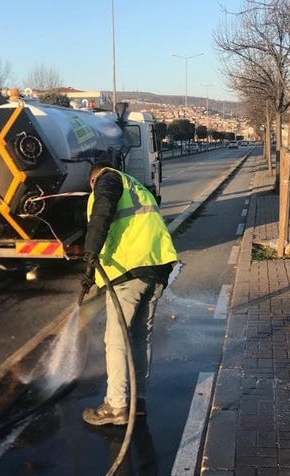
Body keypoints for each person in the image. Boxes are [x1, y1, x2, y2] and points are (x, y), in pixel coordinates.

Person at [80, 161, 178, 426]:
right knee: (139, 338)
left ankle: (116, 406)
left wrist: (89, 257)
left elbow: (102, 212)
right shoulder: (134, 185)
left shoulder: (107, 178)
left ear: (92, 179)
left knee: (116, 341)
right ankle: (137, 400)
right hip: (157, 268)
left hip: (129, 271)